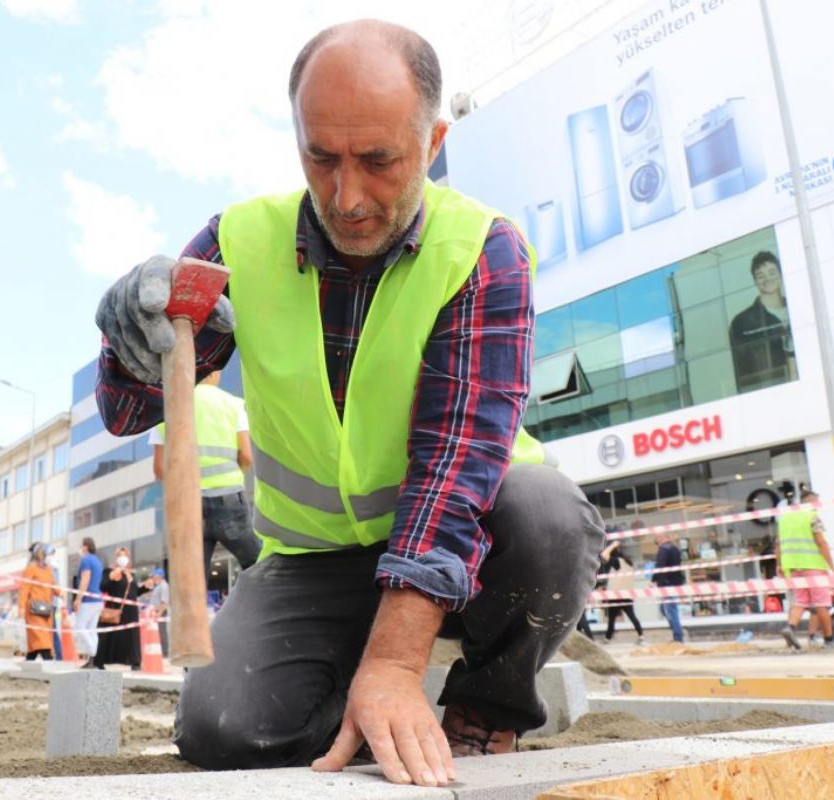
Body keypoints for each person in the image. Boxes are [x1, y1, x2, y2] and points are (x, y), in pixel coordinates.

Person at [92, 20, 604, 787]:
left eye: (377, 161)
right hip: (316, 560)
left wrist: (398, 662)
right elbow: (130, 413)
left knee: (547, 516)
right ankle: (366, 705)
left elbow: (455, 466)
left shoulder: (481, 248)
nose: (346, 196)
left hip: (474, 537)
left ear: (431, 143)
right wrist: (127, 340)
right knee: (223, 729)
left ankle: (479, 709)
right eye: (320, 157)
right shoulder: (236, 241)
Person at [151, 370, 260, 578]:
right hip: (229, 501)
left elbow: (159, 468)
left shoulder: (165, 407)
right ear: (215, 373)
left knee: (191, 580)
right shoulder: (233, 404)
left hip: (188, 506)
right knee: (257, 567)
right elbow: (246, 455)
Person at [776, 490, 834, 649]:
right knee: (822, 604)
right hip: (813, 565)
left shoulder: (784, 519)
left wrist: (779, 565)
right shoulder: (811, 516)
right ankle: (829, 639)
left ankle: (790, 627)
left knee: (801, 601)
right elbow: (821, 542)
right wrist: (832, 565)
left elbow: (778, 545)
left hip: (792, 566)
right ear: (811, 502)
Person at [729, 251, 795, 392]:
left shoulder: (797, 309)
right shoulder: (742, 323)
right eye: (760, 276)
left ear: (781, 275)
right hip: (771, 393)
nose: (767, 279)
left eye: (772, 273)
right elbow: (743, 371)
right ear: (755, 281)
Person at [93, 547, 142, 670]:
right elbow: (103, 587)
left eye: (125, 555)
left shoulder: (131, 574)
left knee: (131, 637)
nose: (123, 558)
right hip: (115, 610)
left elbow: (135, 591)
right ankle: (100, 661)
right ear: (116, 558)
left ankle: (134, 662)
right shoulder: (109, 571)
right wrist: (111, 577)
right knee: (107, 634)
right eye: (120, 555)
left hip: (131, 611)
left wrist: (146, 587)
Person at [20, 542, 61, 660]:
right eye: (49, 554)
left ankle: (29, 661)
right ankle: (47, 660)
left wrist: (61, 593)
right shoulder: (31, 569)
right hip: (34, 609)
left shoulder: (48, 570)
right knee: (42, 639)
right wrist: (21, 607)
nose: (51, 557)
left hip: (46, 609)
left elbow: (53, 585)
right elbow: (24, 589)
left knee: (39, 640)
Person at [600, 542, 644, 644]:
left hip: (616, 595)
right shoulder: (628, 562)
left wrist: (611, 546)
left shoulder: (616, 561)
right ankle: (641, 635)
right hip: (627, 594)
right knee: (632, 616)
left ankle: (607, 638)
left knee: (611, 618)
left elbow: (603, 555)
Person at [73, 537, 105, 667]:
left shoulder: (86, 560)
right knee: (92, 630)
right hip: (98, 599)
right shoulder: (97, 561)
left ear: (85, 546)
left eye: (81, 545)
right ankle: (93, 660)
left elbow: (85, 579)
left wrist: (78, 599)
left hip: (88, 600)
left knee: (79, 628)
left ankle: (93, 653)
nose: (80, 548)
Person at [652, 532, 685, 643]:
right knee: (665, 608)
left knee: (670, 610)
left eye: (658, 537)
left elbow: (660, 566)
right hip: (675, 581)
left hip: (667, 583)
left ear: (662, 537)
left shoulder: (664, 549)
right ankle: (677, 634)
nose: (657, 540)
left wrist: (654, 580)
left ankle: (678, 637)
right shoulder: (674, 548)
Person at [143, 567, 170, 656]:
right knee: (157, 632)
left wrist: (159, 613)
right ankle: (160, 651)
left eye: (154, 575)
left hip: (160, 611)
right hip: (155, 612)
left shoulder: (163, 586)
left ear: (159, 576)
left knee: (161, 632)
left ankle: (164, 652)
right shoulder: (158, 586)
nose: (153, 577)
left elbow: (164, 601)